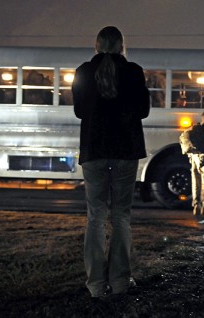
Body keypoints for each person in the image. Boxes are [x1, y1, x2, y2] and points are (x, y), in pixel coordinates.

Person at [72, 26, 150, 298]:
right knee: (121, 216)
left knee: (95, 217)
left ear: (96, 45)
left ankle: (95, 285)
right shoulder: (133, 71)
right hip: (125, 150)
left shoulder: (83, 71)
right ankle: (119, 281)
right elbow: (143, 111)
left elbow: (80, 111)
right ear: (121, 46)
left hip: (94, 149)